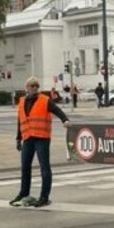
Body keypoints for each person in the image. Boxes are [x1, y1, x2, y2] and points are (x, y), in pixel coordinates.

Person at [10, 77, 71, 208]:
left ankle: (44, 196)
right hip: (27, 137)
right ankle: (24, 193)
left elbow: (57, 110)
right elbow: (20, 121)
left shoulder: (44, 100)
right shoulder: (22, 101)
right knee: (25, 167)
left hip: (42, 137)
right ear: (27, 87)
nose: (34, 88)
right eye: (32, 86)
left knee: (44, 167)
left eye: (36, 86)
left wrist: (65, 120)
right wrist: (18, 138)